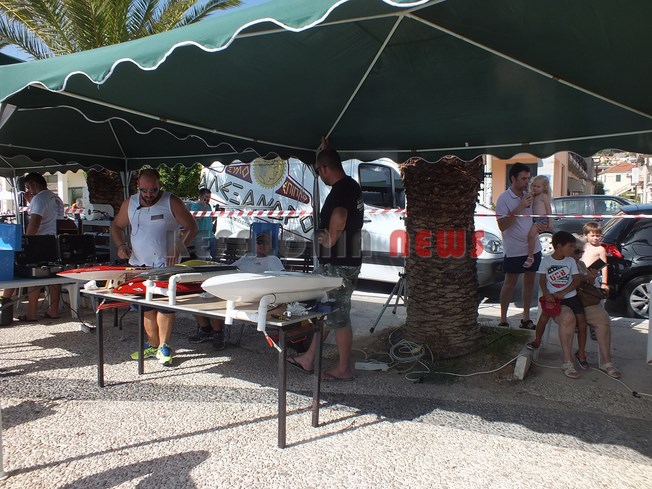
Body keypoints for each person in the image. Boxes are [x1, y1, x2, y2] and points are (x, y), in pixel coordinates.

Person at [287, 138, 364, 382]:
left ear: (323, 168)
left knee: (338, 317)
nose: (319, 175)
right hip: (346, 261)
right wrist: (325, 150)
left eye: (319, 170)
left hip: (339, 263)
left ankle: (343, 369)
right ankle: (308, 359)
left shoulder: (341, 191)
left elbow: (340, 215)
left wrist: (329, 238)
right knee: (330, 313)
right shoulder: (351, 186)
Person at [111, 169, 198, 366]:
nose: (149, 194)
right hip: (138, 265)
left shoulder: (171, 201)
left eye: (153, 190)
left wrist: (178, 246)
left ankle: (164, 346)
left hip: (165, 265)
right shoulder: (130, 203)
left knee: (164, 306)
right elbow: (116, 226)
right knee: (145, 308)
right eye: (144, 190)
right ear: (137, 187)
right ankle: (153, 345)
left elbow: (192, 227)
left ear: (160, 185)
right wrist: (121, 246)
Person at [5, 172, 65, 322]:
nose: (28, 190)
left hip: (39, 242)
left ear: (33, 184)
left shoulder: (39, 198)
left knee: (32, 276)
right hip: (55, 241)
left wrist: (26, 241)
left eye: (28, 186)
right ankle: (53, 311)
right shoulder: (55, 197)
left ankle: (30, 314)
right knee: (53, 276)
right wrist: (31, 201)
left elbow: (35, 222)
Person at [496, 163, 548, 329]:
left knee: (530, 282)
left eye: (528, 178)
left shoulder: (531, 194)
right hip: (514, 250)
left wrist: (542, 225)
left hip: (533, 248)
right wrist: (519, 207)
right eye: (523, 179)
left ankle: (526, 319)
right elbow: (502, 225)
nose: (527, 182)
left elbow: (540, 214)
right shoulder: (504, 198)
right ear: (513, 179)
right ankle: (503, 319)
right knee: (510, 283)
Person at [526, 232, 588, 372]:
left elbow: (576, 280)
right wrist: (547, 294)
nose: (573, 250)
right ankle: (537, 340)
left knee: (582, 323)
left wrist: (564, 292)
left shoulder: (570, 261)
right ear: (559, 246)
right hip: (553, 297)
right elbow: (542, 280)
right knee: (544, 317)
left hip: (570, 296)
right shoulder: (546, 261)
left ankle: (581, 353)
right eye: (570, 246)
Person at [524, 175, 553, 268]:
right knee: (533, 237)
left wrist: (550, 222)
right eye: (534, 186)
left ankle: (530, 256)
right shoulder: (534, 196)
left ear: (544, 187)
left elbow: (549, 210)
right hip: (534, 219)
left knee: (531, 236)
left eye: (538, 186)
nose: (535, 188)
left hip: (541, 219)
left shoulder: (544, 196)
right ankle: (531, 254)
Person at [582, 221, 610, 293]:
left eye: (597, 236)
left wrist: (604, 283)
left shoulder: (600, 249)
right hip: (582, 275)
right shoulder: (582, 246)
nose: (595, 238)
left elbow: (604, 266)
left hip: (594, 276)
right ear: (585, 235)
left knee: (594, 294)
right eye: (592, 236)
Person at [190, 188, 215, 260]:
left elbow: (211, 219)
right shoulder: (195, 206)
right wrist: (203, 207)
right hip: (200, 236)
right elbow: (197, 218)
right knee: (201, 258)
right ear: (200, 196)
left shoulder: (209, 206)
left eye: (209, 197)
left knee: (215, 256)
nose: (208, 199)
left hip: (210, 235)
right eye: (206, 197)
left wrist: (217, 213)